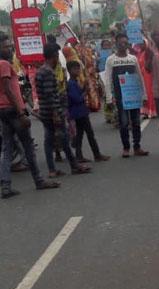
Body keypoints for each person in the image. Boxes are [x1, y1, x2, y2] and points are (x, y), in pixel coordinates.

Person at [0, 34, 59, 198]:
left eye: (9, 45)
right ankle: (39, 180)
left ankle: (5, 186)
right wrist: (21, 112)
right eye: (6, 46)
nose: (10, 48)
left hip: (4, 111)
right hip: (12, 111)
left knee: (7, 148)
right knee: (27, 147)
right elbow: (7, 88)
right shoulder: (4, 64)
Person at [36, 44, 91, 177]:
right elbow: (50, 95)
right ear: (54, 56)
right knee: (64, 138)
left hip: (45, 112)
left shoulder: (40, 71)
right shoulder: (48, 72)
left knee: (49, 141)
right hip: (52, 112)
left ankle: (53, 170)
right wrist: (56, 113)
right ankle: (74, 165)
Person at [105, 33, 149, 158]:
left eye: (125, 43)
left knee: (135, 122)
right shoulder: (111, 60)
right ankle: (126, 147)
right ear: (116, 44)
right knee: (124, 123)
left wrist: (144, 95)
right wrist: (109, 97)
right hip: (120, 97)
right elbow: (107, 80)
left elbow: (140, 77)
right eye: (120, 43)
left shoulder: (133, 59)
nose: (123, 45)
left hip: (133, 96)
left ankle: (137, 146)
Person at [66, 61, 110, 163]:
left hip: (79, 112)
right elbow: (77, 99)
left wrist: (84, 88)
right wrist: (85, 92)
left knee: (80, 135)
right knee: (89, 134)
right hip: (79, 112)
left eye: (78, 69)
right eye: (75, 69)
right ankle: (96, 154)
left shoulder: (74, 82)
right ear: (70, 70)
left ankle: (79, 155)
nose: (77, 71)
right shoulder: (71, 84)